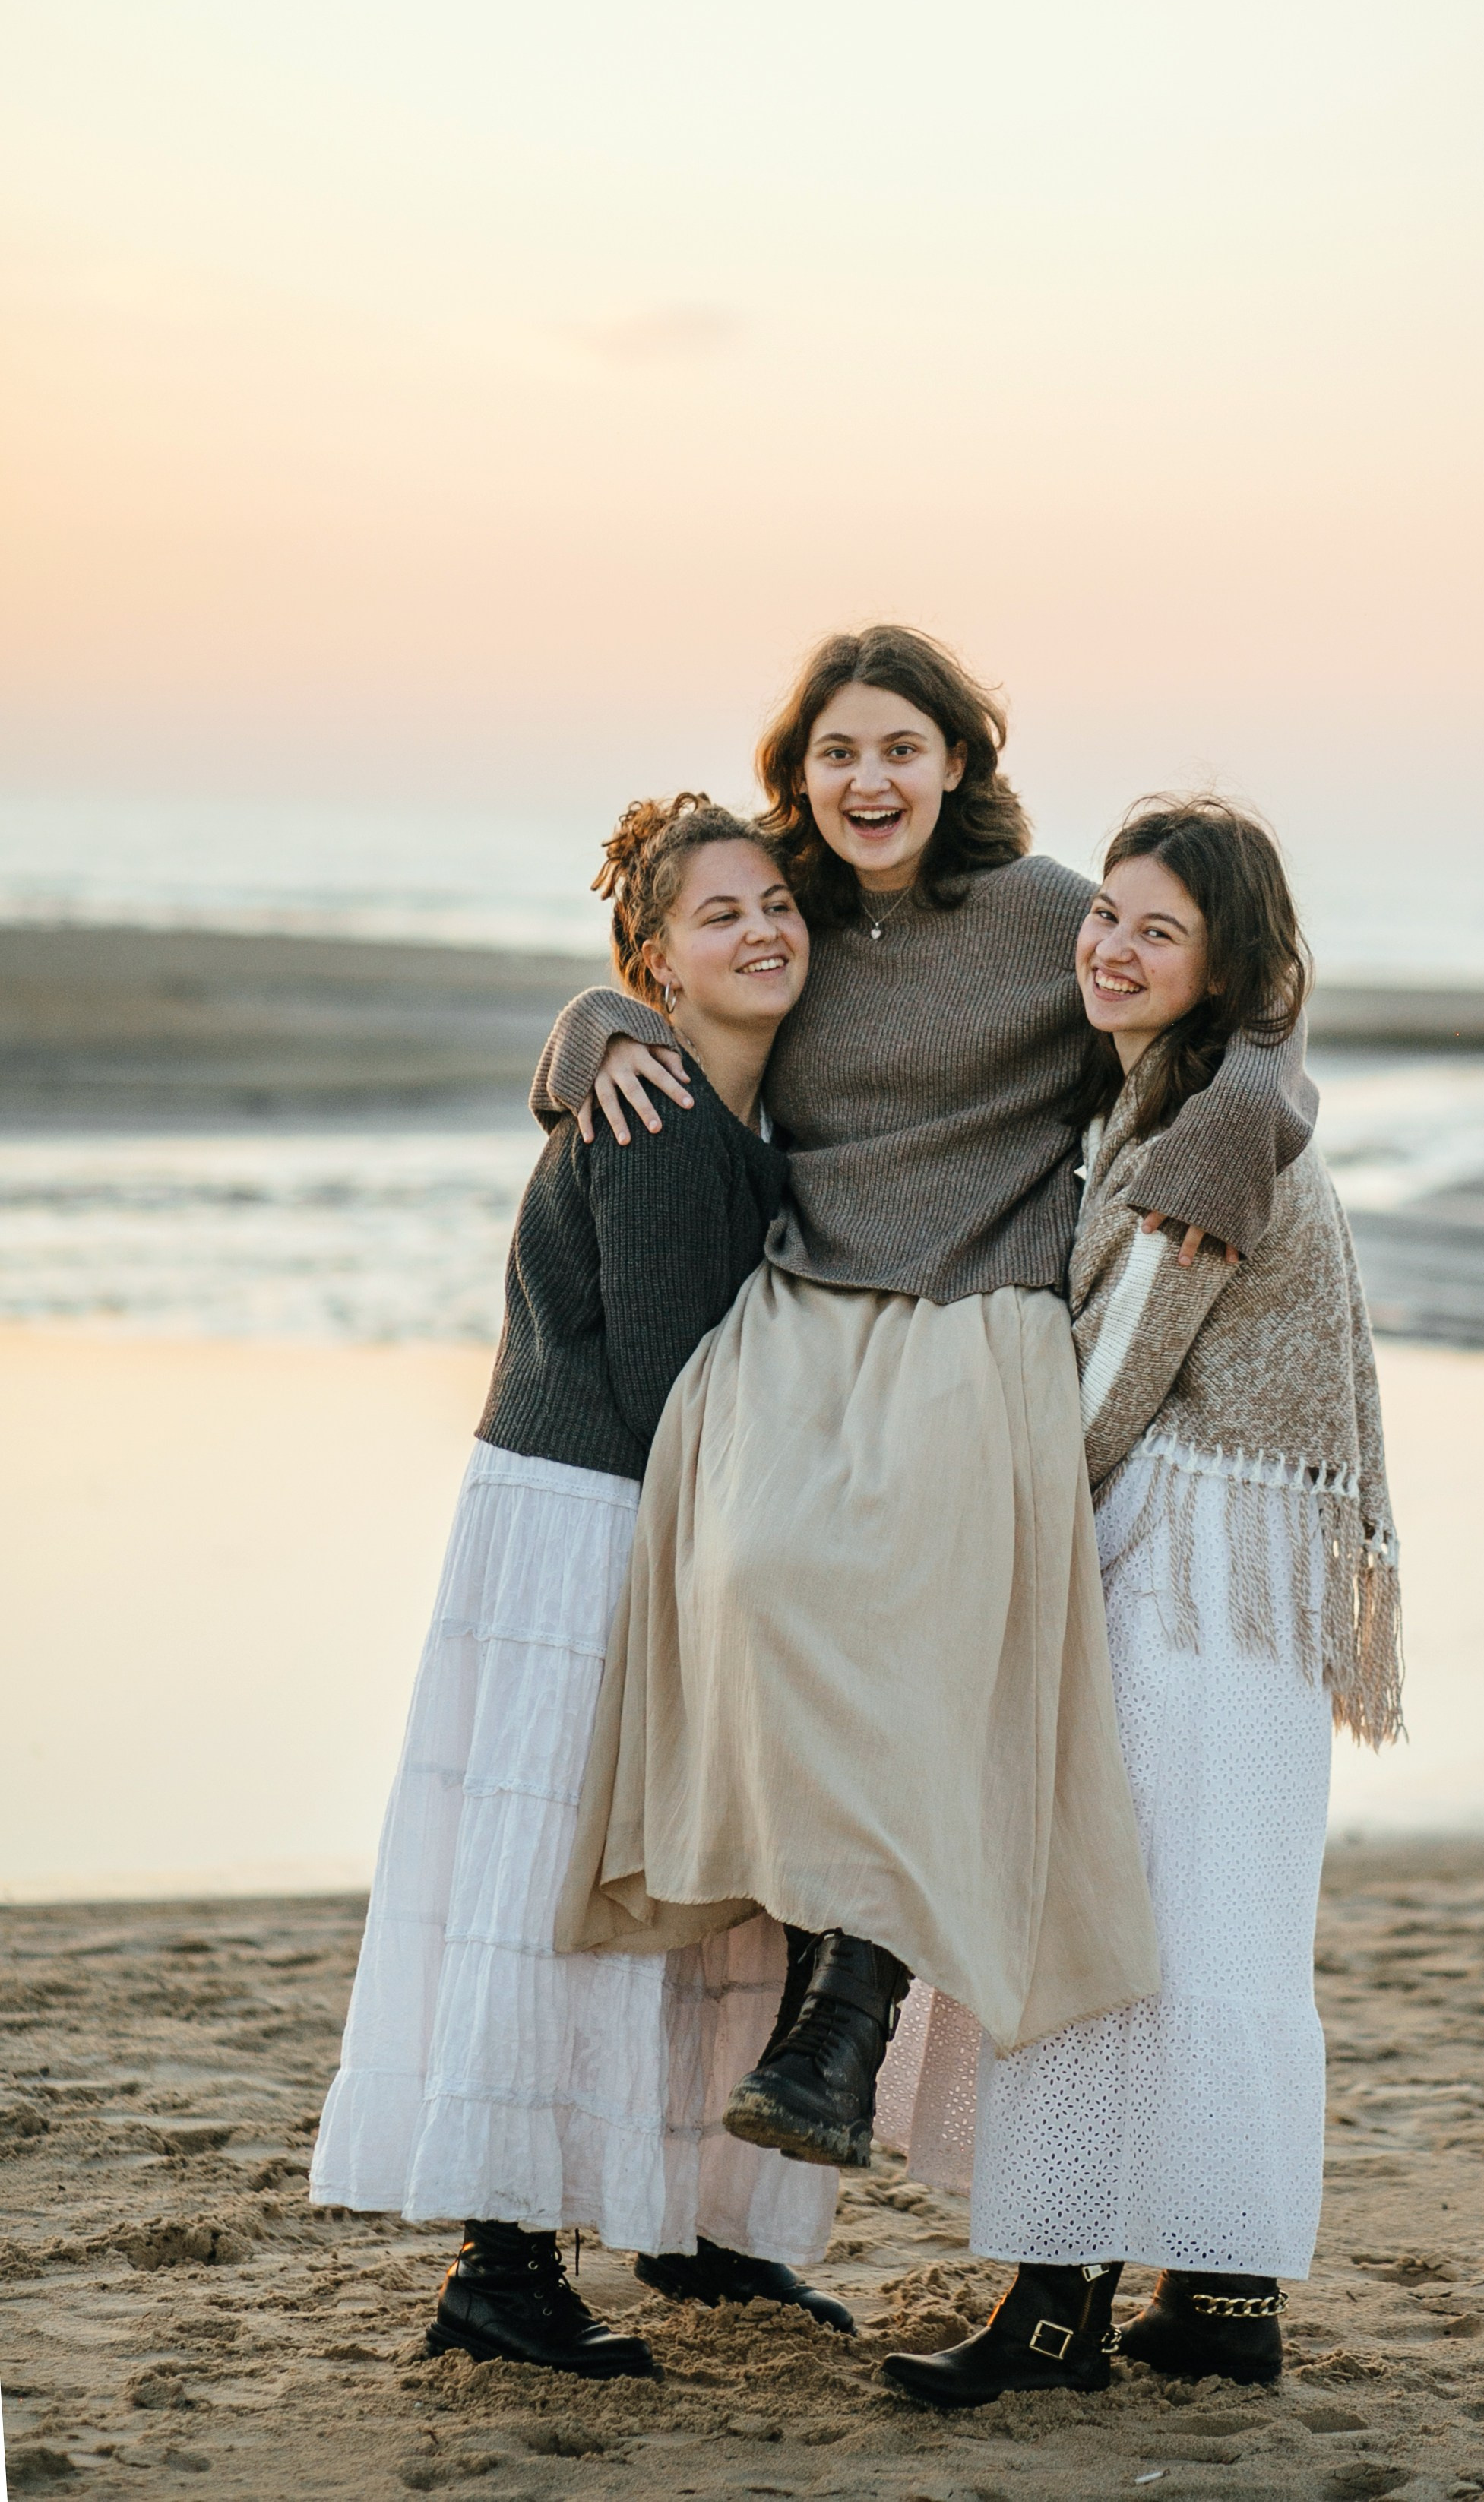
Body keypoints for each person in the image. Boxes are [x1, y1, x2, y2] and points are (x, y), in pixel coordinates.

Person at [528, 630, 1320, 2213]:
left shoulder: (1043, 914)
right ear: (799, 774)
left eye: (897, 747)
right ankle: (813, 1958)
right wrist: (579, 1027)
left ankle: (847, 2002)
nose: (865, 779)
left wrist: (1250, 1110)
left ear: (954, 757)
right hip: (803, 1303)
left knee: (926, 1596)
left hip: (983, 1313)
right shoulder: (792, 918)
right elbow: (671, 990)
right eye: (834, 753)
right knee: (748, 1569)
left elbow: (1241, 1014)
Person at [309, 796, 852, 2377]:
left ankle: (692, 2228)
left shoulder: (706, 1102)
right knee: (574, 1885)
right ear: (653, 963)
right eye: (718, 915)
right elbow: (685, 1395)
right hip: (598, 1522)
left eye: (777, 906)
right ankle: (503, 2266)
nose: (761, 931)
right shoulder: (666, 1122)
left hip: (603, 1510)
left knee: (669, 1883)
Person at [881, 797, 1403, 2410]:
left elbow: (1114, 1383)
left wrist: (993, 1520)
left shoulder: (1207, 1129)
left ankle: (1054, 2312)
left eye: (1152, 927)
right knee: (1211, 1929)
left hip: (1187, 1572)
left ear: (1223, 956)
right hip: (1246, 1580)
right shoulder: (1231, 1087)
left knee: (1105, 1920)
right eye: (1103, 913)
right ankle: (1221, 2290)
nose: (1107, 945)